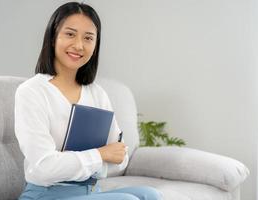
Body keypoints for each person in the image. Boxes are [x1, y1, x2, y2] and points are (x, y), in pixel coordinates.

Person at [15, 2, 162, 200]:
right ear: (52, 37)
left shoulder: (97, 93)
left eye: (88, 38)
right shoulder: (32, 91)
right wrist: (100, 155)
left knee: (150, 195)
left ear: (95, 45)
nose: (78, 45)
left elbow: (120, 156)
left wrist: (103, 156)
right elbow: (44, 168)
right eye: (70, 34)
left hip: (91, 191)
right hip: (46, 194)